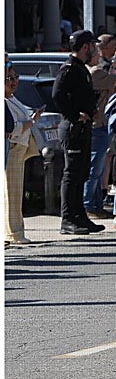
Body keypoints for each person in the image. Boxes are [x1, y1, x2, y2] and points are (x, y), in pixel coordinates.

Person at [52, 30, 105, 235]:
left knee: (82, 173)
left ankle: (80, 216)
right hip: (73, 128)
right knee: (72, 175)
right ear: (85, 47)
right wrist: (75, 115)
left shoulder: (80, 68)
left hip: (83, 127)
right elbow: (57, 95)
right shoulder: (69, 68)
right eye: (92, 45)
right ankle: (68, 219)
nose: (94, 49)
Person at [83, 33, 116, 220]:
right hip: (98, 125)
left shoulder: (99, 71)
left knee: (98, 167)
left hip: (101, 123)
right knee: (95, 167)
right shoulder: (95, 72)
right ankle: (89, 204)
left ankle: (95, 203)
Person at [5, 63, 40, 244]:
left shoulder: (12, 98)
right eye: (9, 78)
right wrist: (31, 121)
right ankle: (13, 233)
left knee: (16, 193)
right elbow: (12, 128)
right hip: (12, 148)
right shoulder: (4, 101)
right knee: (10, 193)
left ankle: (16, 231)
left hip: (20, 149)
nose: (14, 81)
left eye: (15, 77)